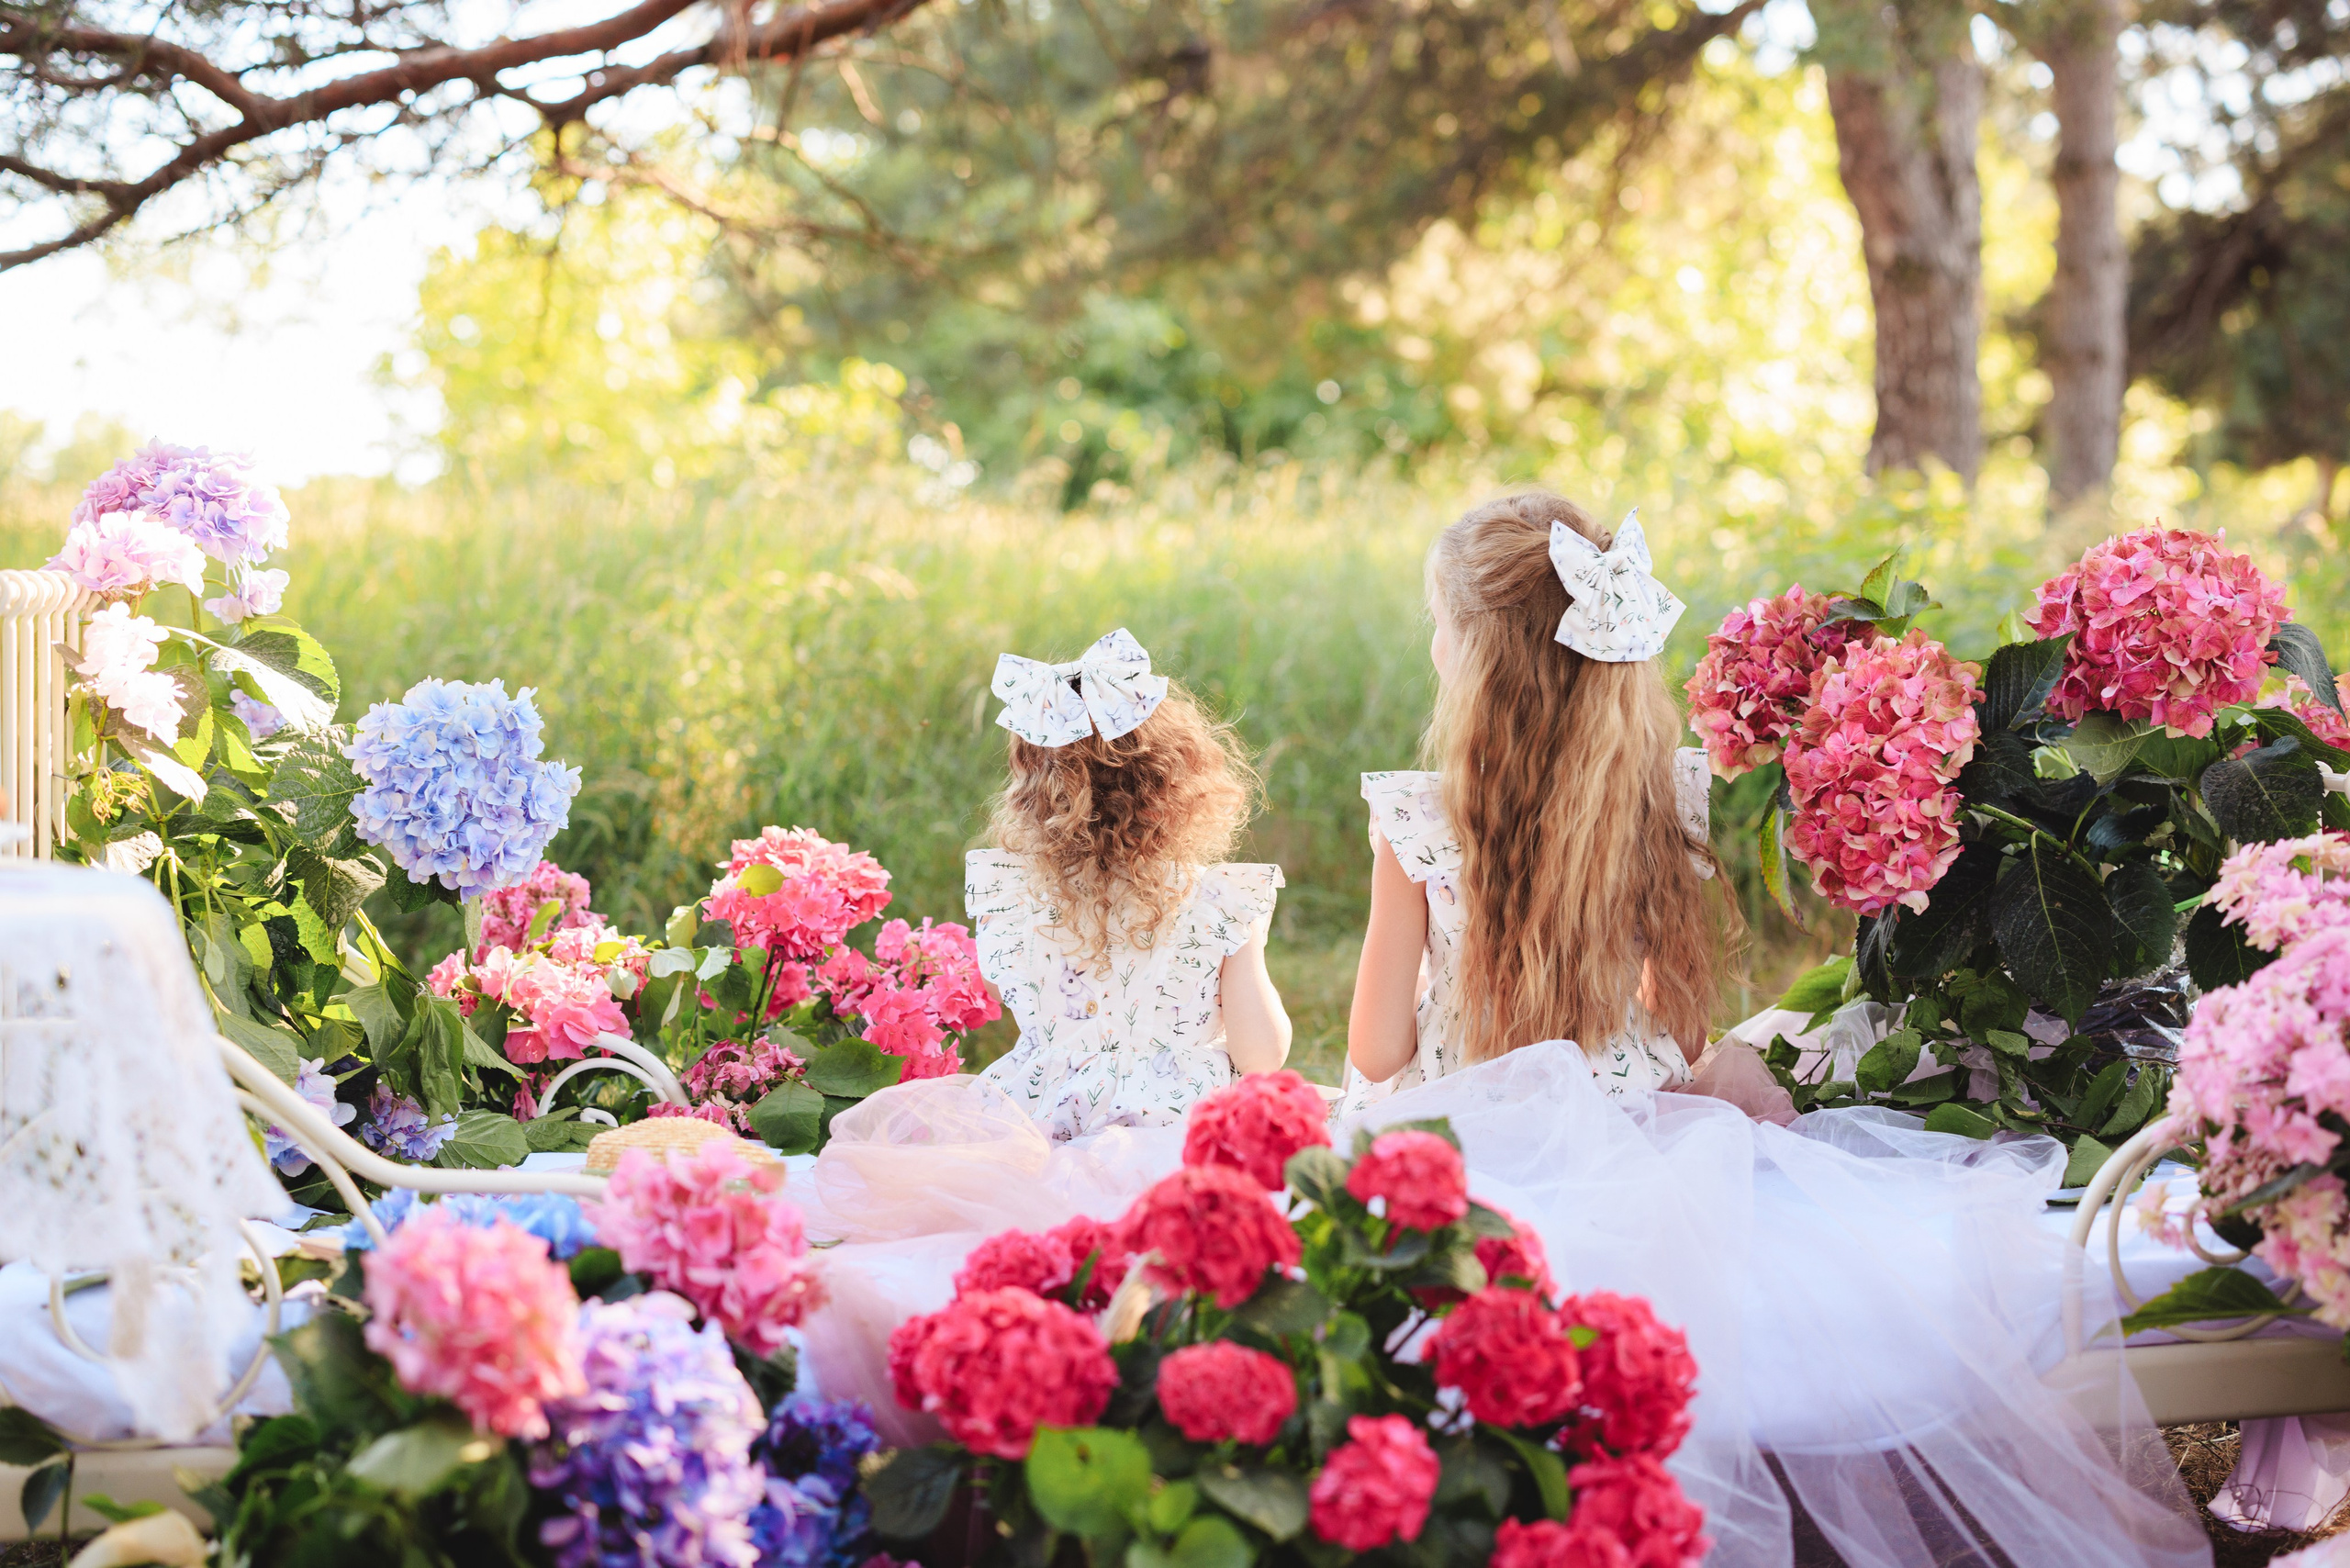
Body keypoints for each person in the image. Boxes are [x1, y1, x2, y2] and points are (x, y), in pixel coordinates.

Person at [967, 626, 1292, 1140]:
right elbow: (1263, 1055)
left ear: (1033, 794)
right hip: (1172, 1130)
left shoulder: (1010, 899)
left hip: (1037, 1123)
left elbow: (996, 985)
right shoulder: (1218, 903)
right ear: (1177, 782)